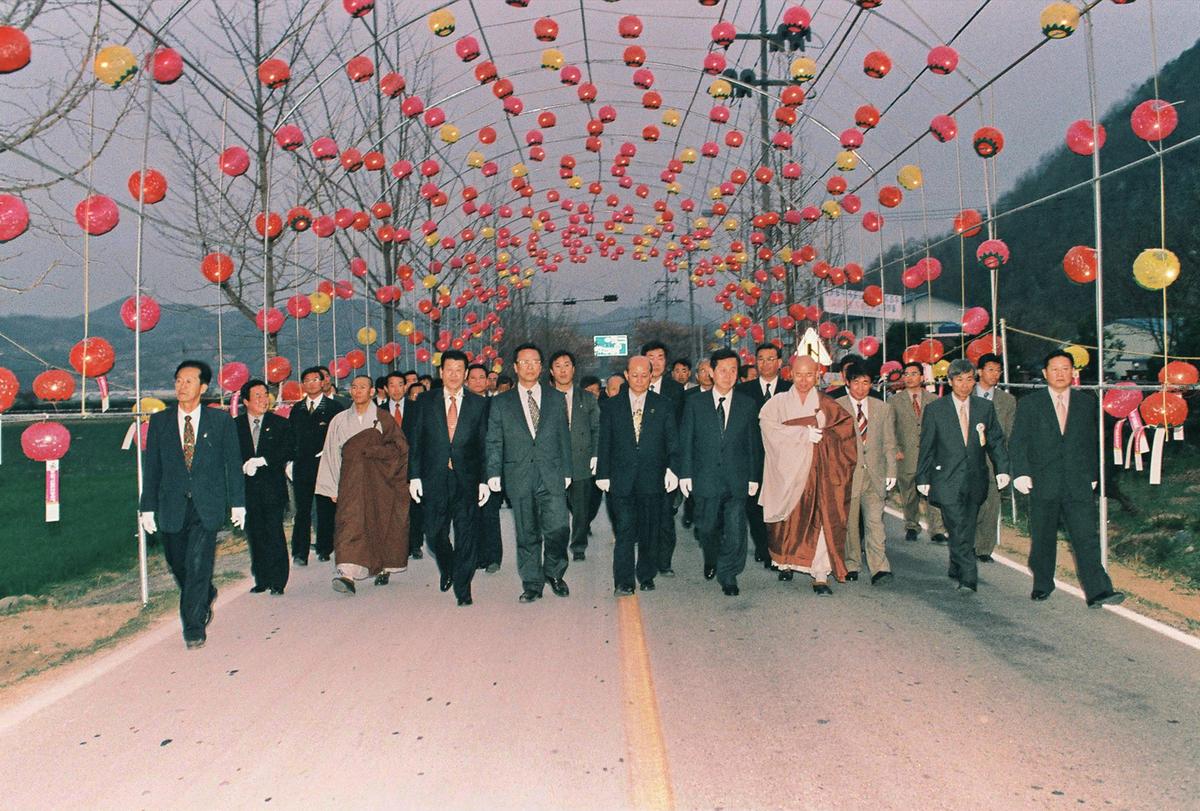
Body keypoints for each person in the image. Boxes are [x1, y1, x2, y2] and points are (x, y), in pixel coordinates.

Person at [139, 360, 245, 649]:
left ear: (203, 387)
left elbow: (232, 464)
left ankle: (194, 627)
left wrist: (238, 503)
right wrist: (146, 507)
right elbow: (153, 469)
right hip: (171, 504)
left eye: (188, 381)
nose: (181, 386)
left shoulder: (220, 421)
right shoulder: (160, 422)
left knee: (198, 563)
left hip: (206, 504)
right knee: (177, 562)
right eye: (178, 381)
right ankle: (205, 593)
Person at [1009, 351, 1124, 607]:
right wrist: (1021, 472)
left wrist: (1093, 474)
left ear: (1074, 372)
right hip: (1042, 480)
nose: (1060, 374)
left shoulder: (1086, 403)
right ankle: (1042, 583)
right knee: (1043, 537)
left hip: (1077, 481)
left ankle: (1098, 591)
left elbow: (1094, 442)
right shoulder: (1030, 403)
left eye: (1065, 369)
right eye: (1055, 369)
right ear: (1045, 373)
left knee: (1086, 537)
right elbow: (1018, 441)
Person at [758, 355, 857, 595]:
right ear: (790, 374)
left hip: (819, 471)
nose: (804, 380)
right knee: (788, 521)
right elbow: (768, 429)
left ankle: (820, 573)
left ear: (817, 375)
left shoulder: (827, 404)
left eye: (809, 375)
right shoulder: (778, 402)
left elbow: (845, 432)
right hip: (787, 473)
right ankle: (787, 562)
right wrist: (802, 435)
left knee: (821, 520)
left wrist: (824, 438)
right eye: (799, 374)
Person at [486, 343, 573, 603]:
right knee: (527, 532)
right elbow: (494, 440)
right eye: (524, 362)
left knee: (558, 527)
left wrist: (567, 470)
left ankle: (555, 571)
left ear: (541, 366)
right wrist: (493, 472)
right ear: (515, 367)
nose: (530, 366)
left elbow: (563, 437)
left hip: (552, 473)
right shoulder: (501, 402)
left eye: (535, 361)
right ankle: (532, 583)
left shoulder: (556, 398)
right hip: (518, 474)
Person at [916, 359, 1011, 593]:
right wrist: (922, 478)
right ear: (950, 382)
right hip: (946, 478)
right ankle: (969, 577)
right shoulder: (936, 410)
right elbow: (926, 446)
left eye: (969, 379)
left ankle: (956, 563)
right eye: (959, 380)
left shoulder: (984, 408)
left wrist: (1003, 469)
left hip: (975, 478)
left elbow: (996, 441)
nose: (965, 385)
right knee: (957, 525)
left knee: (967, 526)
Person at [408, 351, 490, 606]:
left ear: (465, 374)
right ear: (441, 372)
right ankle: (448, 565)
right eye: (449, 369)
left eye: (459, 370)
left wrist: (485, 479)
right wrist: (414, 477)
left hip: (467, 478)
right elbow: (416, 442)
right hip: (434, 477)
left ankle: (463, 589)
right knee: (434, 533)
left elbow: (486, 445)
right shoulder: (424, 400)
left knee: (467, 533)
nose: (454, 375)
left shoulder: (479, 404)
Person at [316, 374, 410, 594]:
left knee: (379, 521)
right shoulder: (339, 420)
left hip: (379, 481)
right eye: (354, 387)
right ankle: (346, 573)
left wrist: (376, 451)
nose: (357, 391)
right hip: (349, 481)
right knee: (348, 522)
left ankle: (383, 566)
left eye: (363, 387)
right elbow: (331, 454)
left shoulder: (383, 418)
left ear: (372, 392)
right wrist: (332, 487)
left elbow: (400, 449)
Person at [678, 348, 760, 596]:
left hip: (737, 478)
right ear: (711, 372)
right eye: (722, 370)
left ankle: (729, 574)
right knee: (707, 528)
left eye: (733, 370)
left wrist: (754, 477)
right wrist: (685, 474)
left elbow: (753, 443)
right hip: (705, 478)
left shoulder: (747, 404)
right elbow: (687, 440)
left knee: (736, 529)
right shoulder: (695, 403)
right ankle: (712, 557)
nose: (728, 375)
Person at [596, 355, 679, 595]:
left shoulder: (663, 404)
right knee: (624, 530)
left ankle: (646, 574)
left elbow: (672, 441)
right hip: (621, 479)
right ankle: (623, 581)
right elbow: (605, 442)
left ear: (651, 376)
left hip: (652, 479)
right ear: (626, 375)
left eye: (645, 375)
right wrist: (603, 473)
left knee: (649, 531)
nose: (640, 379)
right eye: (635, 375)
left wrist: (673, 468)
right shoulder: (612, 405)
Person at [837, 366, 898, 584]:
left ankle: (880, 567)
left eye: (865, 383)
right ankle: (851, 563)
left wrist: (892, 471)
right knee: (850, 525)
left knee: (875, 523)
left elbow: (889, 442)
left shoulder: (882, 408)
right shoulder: (837, 407)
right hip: (848, 476)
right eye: (856, 383)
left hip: (875, 475)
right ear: (848, 383)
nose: (861, 388)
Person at [235, 378, 294, 596]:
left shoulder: (280, 423)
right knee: (255, 534)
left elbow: (288, 449)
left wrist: (264, 460)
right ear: (246, 401)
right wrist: (243, 465)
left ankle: (278, 581)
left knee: (274, 532)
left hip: (272, 489)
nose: (262, 400)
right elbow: (229, 456)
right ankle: (262, 578)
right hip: (246, 490)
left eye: (264, 395)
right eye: (257, 396)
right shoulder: (235, 426)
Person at [736, 342, 792, 570]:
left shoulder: (791, 389)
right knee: (754, 506)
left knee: (783, 505)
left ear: (780, 363)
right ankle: (763, 546)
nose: (765, 364)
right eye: (760, 359)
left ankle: (781, 548)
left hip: (785, 459)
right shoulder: (743, 391)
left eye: (771, 359)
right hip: (753, 458)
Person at [288, 365, 344, 565]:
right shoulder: (297, 409)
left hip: (326, 464)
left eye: (315, 380)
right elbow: (291, 438)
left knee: (325, 508)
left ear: (323, 382)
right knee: (302, 510)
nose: (311, 384)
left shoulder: (334, 408)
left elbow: (341, 436)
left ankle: (325, 547)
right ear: (303, 385)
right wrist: (289, 461)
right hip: (302, 465)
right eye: (307, 381)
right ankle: (300, 552)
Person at [550, 350, 600, 562]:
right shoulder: (545, 398)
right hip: (554, 461)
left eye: (567, 365)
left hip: (581, 459)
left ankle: (579, 545)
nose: (563, 370)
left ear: (574, 369)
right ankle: (557, 545)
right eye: (558, 366)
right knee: (556, 508)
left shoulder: (587, 398)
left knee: (581, 508)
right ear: (551, 371)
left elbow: (597, 428)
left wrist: (596, 454)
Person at [640, 340, 684, 577]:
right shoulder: (634, 387)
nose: (655, 363)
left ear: (666, 362)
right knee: (644, 515)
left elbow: (681, 429)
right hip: (641, 464)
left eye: (660, 357)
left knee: (666, 514)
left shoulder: (676, 391)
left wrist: (677, 466)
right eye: (650, 357)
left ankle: (664, 561)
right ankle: (647, 558)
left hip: (667, 463)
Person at [892, 361, 947, 543]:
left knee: (933, 492)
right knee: (909, 493)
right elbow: (889, 428)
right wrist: (896, 450)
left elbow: (941, 429)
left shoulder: (934, 400)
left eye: (914, 374)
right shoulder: (895, 401)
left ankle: (937, 529)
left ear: (922, 377)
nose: (909, 378)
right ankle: (911, 526)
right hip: (905, 455)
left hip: (930, 455)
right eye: (906, 374)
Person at [973, 353, 1017, 562]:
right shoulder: (965, 392)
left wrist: (1004, 463)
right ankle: (966, 543)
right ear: (979, 371)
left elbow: (1008, 433)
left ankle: (983, 549)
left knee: (991, 505)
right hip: (967, 459)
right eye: (990, 369)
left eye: (998, 370)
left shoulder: (1007, 401)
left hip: (993, 460)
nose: (995, 374)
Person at [382, 370, 423, 560]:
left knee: (413, 505)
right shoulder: (378, 410)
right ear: (386, 388)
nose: (396, 389)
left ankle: (415, 544)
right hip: (387, 466)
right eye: (392, 385)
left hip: (412, 462)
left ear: (406, 386)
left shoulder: (417, 408)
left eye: (400, 384)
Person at [467, 363, 503, 573]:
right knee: (470, 513)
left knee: (490, 513)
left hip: (491, 465)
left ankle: (493, 557)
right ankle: (475, 556)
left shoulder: (495, 404)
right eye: (474, 378)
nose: (479, 381)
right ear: (466, 380)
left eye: (483, 377)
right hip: (468, 466)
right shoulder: (461, 405)